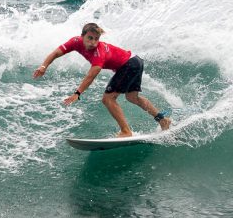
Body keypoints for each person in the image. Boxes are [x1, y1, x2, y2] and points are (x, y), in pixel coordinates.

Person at [33, 23, 171, 137]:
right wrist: (44, 66)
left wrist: (77, 93)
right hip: (135, 61)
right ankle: (163, 120)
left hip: (129, 64)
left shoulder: (99, 53)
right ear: (82, 36)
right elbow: (56, 52)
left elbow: (91, 76)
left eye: (96, 39)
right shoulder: (75, 42)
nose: (93, 42)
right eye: (90, 38)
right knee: (133, 98)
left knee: (108, 99)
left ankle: (126, 131)